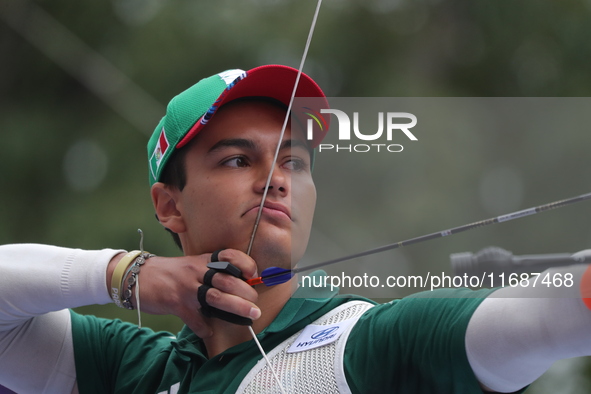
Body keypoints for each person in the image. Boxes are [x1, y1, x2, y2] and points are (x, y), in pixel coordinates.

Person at [1, 64, 591, 394]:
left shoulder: (363, 344)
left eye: (295, 162)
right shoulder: (129, 370)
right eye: (238, 160)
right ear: (169, 206)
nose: (276, 179)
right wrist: (127, 275)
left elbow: (543, 319)